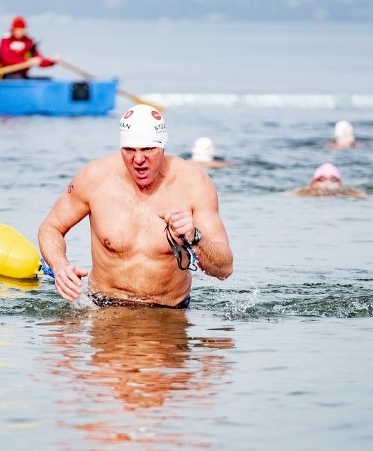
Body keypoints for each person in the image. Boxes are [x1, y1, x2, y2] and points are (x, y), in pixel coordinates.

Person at [38, 104, 234, 309]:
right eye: (130, 150)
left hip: (168, 313)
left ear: (163, 147)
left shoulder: (194, 183)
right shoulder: (94, 178)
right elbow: (50, 228)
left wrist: (195, 236)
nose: (138, 159)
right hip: (105, 308)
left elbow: (224, 268)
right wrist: (60, 267)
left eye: (148, 149)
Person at [290, 163, 370, 198]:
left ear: (340, 184)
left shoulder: (349, 193)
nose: (327, 183)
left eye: (333, 180)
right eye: (322, 179)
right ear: (313, 183)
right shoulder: (303, 192)